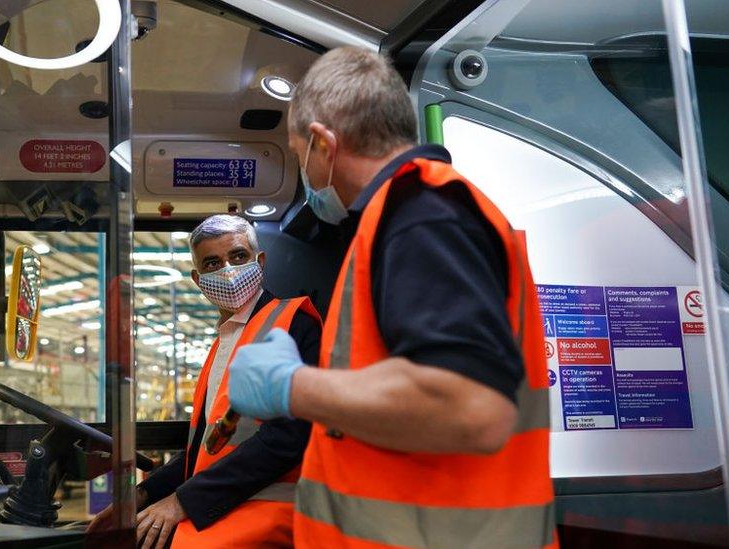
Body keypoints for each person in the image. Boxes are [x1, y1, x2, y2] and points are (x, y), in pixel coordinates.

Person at [227, 47, 557, 548]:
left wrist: (293, 387)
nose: (306, 176)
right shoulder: (403, 218)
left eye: (298, 157)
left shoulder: (423, 215)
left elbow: (473, 409)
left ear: (323, 143)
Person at [90, 215, 322, 549]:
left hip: (271, 508)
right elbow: (206, 448)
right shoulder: (223, 344)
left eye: (239, 256)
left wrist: (181, 502)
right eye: (213, 262)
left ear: (261, 261)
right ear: (199, 280)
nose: (228, 269)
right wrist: (142, 494)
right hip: (226, 502)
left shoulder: (294, 322)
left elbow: (289, 437)